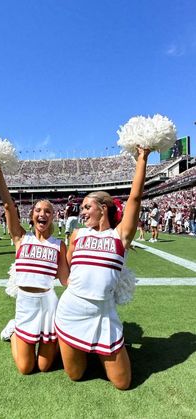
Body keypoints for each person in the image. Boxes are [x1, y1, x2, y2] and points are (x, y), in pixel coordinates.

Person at [55, 147, 151, 390]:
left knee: (123, 383)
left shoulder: (120, 236)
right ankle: (72, 344)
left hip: (104, 314)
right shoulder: (77, 234)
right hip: (71, 311)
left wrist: (143, 157)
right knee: (76, 375)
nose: (82, 211)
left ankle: (96, 348)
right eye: (82, 208)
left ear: (103, 208)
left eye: (88, 206)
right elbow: (66, 277)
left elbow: (135, 199)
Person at [0, 164, 69, 374]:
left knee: (45, 367)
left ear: (53, 217)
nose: (42, 214)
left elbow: (66, 280)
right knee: (26, 368)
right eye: (38, 210)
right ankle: (14, 330)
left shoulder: (58, 244)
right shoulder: (21, 237)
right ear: (32, 216)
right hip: (25, 304)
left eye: (47, 211)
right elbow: (8, 206)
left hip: (48, 304)